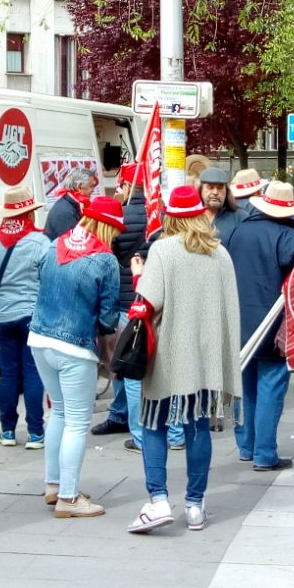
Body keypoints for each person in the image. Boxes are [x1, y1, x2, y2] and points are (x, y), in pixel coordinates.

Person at [128, 185, 243, 532]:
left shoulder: (161, 250)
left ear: (170, 218)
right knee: (197, 426)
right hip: (206, 356)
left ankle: (159, 500)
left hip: (167, 353)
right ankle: (195, 504)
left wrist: (137, 274)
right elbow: (229, 309)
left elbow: (146, 302)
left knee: (154, 424)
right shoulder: (220, 254)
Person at [28, 195, 123, 517]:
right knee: (78, 421)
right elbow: (109, 318)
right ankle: (69, 498)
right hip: (75, 347)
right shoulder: (105, 259)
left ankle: (53, 486)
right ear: (109, 227)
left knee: (58, 413)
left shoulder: (53, 245)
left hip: (39, 339)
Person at [96, 165, 184, 451]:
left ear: (126, 184)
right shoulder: (160, 214)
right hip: (163, 301)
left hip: (128, 302)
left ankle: (140, 435)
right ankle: (175, 435)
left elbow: (108, 251)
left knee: (132, 370)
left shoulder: (120, 215)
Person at [226, 182, 294, 471]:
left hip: (238, 321)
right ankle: (264, 453)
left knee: (245, 387)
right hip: (274, 326)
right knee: (270, 388)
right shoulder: (292, 237)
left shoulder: (239, 231)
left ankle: (246, 447)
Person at [0, 188, 48, 449]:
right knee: (32, 372)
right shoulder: (40, 242)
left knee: (8, 374)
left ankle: (7, 432)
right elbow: (50, 277)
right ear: (28, 213)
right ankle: (36, 433)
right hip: (33, 317)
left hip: (4, 316)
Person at [44, 167, 97, 239]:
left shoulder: (71, 204)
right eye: (91, 186)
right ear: (80, 187)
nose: (93, 190)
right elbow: (71, 243)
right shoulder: (65, 211)